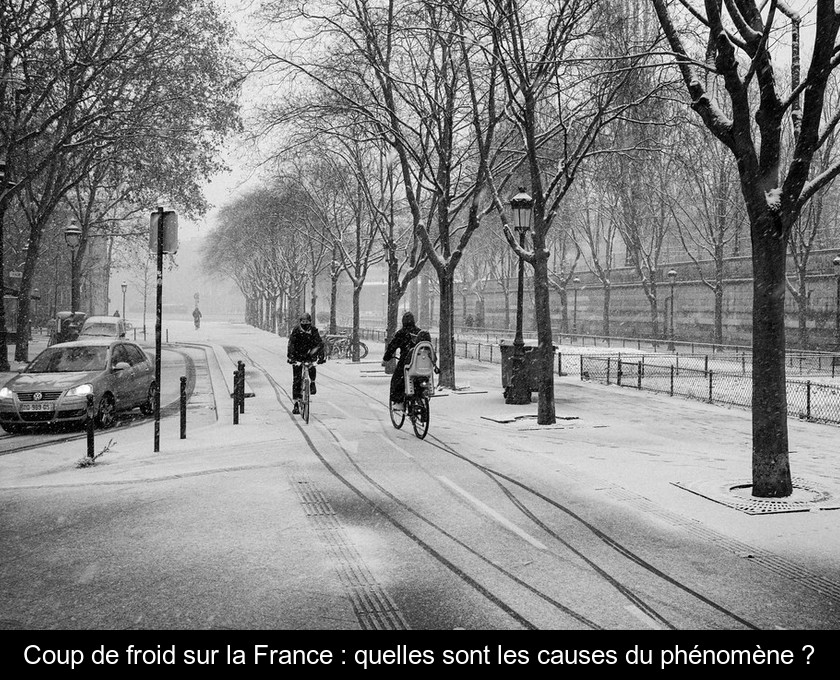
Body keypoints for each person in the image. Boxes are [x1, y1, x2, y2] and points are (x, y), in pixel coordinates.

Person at [383, 311, 432, 410]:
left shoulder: (401, 333)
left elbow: (392, 347)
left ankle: (398, 402)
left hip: (406, 363)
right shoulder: (420, 333)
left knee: (397, 380)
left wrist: (386, 358)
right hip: (421, 364)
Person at [287, 312, 325, 414]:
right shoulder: (296, 331)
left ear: (310, 322)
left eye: (307, 321)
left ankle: (312, 382)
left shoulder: (313, 331)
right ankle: (296, 403)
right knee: (297, 379)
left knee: (312, 367)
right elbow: (291, 344)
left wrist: (321, 357)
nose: (305, 323)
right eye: (303, 321)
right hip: (298, 356)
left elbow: (319, 344)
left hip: (310, 355)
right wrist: (291, 357)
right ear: (300, 322)